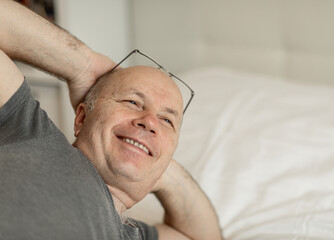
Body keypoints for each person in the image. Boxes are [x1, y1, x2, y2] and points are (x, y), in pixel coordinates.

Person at [0, 0, 222, 239]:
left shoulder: (132, 235)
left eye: (167, 120)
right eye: (133, 102)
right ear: (82, 118)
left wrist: (159, 163)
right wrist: (83, 65)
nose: (149, 121)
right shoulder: (32, 133)